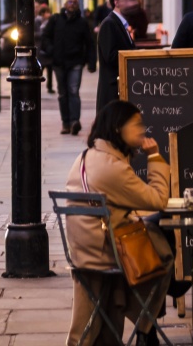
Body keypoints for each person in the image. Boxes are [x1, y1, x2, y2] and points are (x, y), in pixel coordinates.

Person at [64, 100, 172, 346]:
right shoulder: (112, 167)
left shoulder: (87, 156)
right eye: (136, 125)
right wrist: (154, 157)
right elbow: (158, 199)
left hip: (85, 247)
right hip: (104, 251)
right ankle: (146, 326)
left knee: (154, 234)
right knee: (164, 254)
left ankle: (142, 330)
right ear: (117, 129)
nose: (142, 130)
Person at [41, 0, 97, 135]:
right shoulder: (55, 20)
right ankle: (65, 123)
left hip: (75, 62)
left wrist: (91, 62)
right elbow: (45, 37)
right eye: (70, 2)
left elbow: (90, 43)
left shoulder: (82, 23)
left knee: (73, 91)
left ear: (78, 5)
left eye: (75, 2)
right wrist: (51, 50)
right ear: (65, 4)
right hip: (59, 62)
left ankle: (74, 122)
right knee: (62, 93)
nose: (72, 4)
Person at [96, 0, 139, 113]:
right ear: (116, 2)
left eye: (134, 0)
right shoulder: (109, 24)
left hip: (120, 89)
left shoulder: (120, 24)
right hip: (112, 90)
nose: (133, 4)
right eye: (128, 0)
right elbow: (110, 56)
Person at [35, 4, 56, 95]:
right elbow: (34, 33)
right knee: (41, 68)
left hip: (48, 47)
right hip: (40, 48)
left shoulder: (50, 22)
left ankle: (50, 86)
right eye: (47, 12)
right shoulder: (37, 21)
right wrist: (42, 34)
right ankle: (36, 85)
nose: (49, 14)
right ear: (43, 13)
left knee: (50, 68)